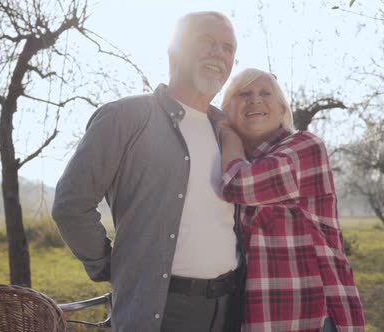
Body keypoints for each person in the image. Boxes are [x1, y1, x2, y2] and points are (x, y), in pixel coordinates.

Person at [52, 12, 244, 332]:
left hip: (230, 309)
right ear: (174, 52)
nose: (219, 54)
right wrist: (113, 266)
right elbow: (71, 205)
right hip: (162, 310)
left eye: (228, 48)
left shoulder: (230, 130)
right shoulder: (123, 117)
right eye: (206, 42)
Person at [218, 68, 366, 331]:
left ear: (282, 110)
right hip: (260, 318)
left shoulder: (305, 147)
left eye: (265, 93)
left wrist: (228, 137)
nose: (255, 99)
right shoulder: (231, 163)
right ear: (228, 109)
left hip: (315, 318)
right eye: (244, 94)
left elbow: (241, 185)